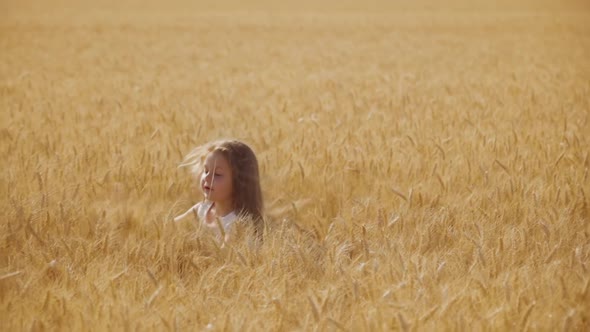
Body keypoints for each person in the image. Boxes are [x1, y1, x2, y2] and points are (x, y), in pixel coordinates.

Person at [174, 139, 264, 244]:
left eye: (217, 174)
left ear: (239, 182)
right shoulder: (201, 210)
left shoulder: (239, 224)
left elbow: (221, 258)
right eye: (206, 171)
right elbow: (167, 228)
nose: (207, 178)